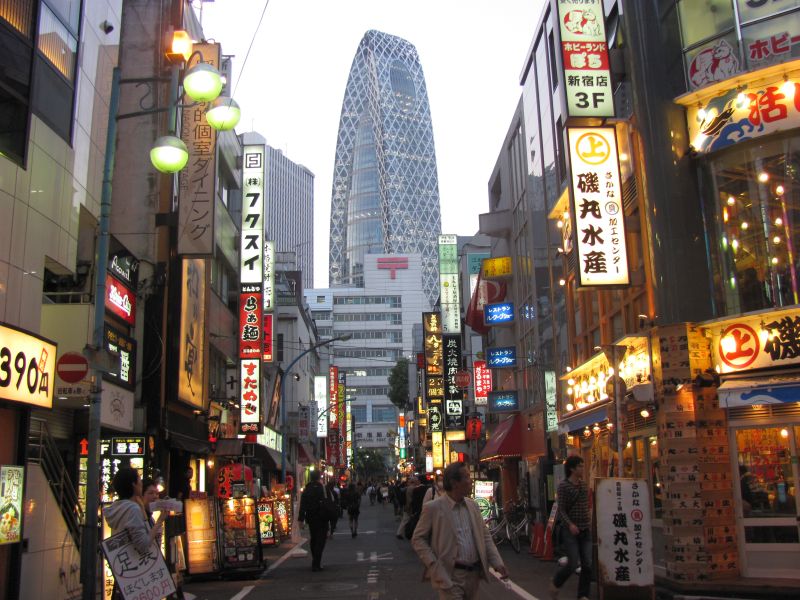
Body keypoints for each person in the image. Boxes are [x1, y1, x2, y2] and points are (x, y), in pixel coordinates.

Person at [412, 462, 508, 599]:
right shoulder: (433, 508)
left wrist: (497, 562)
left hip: (474, 574)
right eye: (467, 477)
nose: (471, 481)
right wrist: (433, 564)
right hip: (450, 575)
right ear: (454, 483)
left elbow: (485, 536)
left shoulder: (473, 505)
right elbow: (418, 539)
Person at [104, 468, 166, 599]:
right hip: (138, 577)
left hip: (125, 577)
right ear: (133, 484)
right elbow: (143, 545)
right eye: (139, 479)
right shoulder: (132, 509)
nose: (141, 482)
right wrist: (160, 520)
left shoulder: (119, 507)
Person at [550, 456, 592, 600]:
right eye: (580, 466)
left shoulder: (584, 485)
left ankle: (583, 595)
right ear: (572, 469)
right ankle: (556, 582)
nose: (582, 468)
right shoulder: (563, 486)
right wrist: (570, 524)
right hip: (570, 531)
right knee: (573, 563)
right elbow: (561, 509)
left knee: (587, 564)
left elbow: (586, 505)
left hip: (585, 528)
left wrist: (590, 520)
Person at [298, 470, 329, 572]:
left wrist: (301, 519)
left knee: (314, 538)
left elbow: (303, 504)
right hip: (322, 517)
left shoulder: (307, 489)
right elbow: (327, 502)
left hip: (311, 517)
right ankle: (316, 563)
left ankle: (315, 561)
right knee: (321, 540)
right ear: (319, 477)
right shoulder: (322, 488)